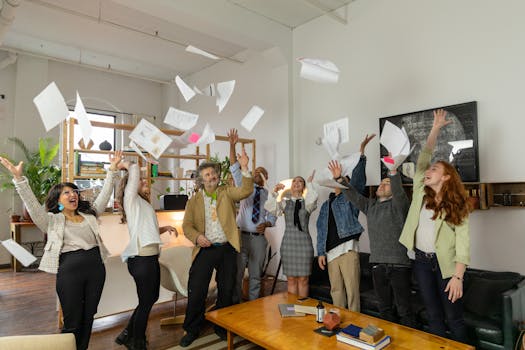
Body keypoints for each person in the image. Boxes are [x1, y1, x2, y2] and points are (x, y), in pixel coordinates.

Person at [0, 151, 122, 350]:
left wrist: (113, 169)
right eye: (66, 192)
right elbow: (31, 205)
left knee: (89, 314)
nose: (73, 194)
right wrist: (19, 178)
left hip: (96, 268)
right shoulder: (51, 220)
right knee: (73, 319)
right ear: (57, 199)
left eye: (74, 191)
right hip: (70, 271)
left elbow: (105, 193)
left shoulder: (89, 215)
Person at [399, 109, 471, 342]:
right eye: (429, 169)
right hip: (421, 261)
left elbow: (463, 243)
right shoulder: (421, 191)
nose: (427, 171)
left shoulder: (458, 205)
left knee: (454, 318)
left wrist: (457, 277)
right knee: (433, 316)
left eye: (434, 169)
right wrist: (434, 129)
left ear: (447, 176)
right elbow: (424, 155)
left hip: (447, 267)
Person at [335, 140, 417, 327]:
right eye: (381, 183)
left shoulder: (400, 205)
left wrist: (393, 172)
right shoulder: (370, 206)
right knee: (384, 309)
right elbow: (354, 196)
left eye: (387, 184)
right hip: (377, 266)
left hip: (399, 266)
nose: (382, 185)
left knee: (404, 310)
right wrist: (341, 179)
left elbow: (398, 191)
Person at [179, 148, 254, 347]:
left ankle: (222, 327)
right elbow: (186, 226)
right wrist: (197, 237)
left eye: (213, 173)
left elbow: (246, 191)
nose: (211, 177)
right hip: (205, 250)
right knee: (197, 290)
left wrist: (245, 167)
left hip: (226, 248)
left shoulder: (226, 192)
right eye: (207, 175)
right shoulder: (193, 201)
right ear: (201, 180)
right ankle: (192, 329)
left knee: (226, 289)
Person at [114, 160, 178, 350]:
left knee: (150, 298)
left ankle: (127, 334)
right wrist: (130, 164)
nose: (143, 182)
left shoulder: (142, 204)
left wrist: (164, 227)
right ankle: (137, 341)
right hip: (141, 259)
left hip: (149, 257)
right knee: (147, 300)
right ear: (130, 187)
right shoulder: (131, 199)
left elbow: (146, 230)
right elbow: (133, 175)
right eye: (140, 180)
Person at [316, 134, 374, 311]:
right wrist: (320, 253)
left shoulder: (351, 199)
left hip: (348, 251)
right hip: (331, 254)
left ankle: (353, 326)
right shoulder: (326, 205)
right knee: (336, 291)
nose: (337, 180)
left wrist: (361, 153)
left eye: (340, 178)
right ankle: (337, 323)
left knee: (352, 293)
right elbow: (320, 230)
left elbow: (359, 180)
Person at [227, 129, 276, 303]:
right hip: (242, 236)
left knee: (256, 275)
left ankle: (253, 306)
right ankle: (237, 304)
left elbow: (273, 217)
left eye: (261, 173)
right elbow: (234, 167)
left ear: (266, 177)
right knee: (238, 273)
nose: (257, 174)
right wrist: (232, 145)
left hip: (259, 239)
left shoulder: (270, 195)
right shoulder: (245, 186)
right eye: (255, 172)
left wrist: (268, 225)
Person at [264, 171, 318, 298]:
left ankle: (302, 308)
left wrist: (310, 184)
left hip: (304, 245)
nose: (297, 183)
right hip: (288, 245)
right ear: (291, 186)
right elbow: (271, 207)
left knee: (304, 279)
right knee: (292, 279)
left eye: (300, 181)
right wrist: (275, 191)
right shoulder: (284, 202)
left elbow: (313, 197)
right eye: (294, 181)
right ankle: (293, 310)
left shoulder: (308, 203)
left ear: (303, 187)